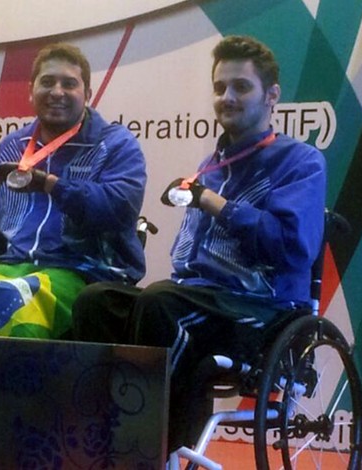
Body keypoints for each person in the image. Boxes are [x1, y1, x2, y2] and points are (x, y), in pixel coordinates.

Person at [72, 35, 326, 452]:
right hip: (201, 299)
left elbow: (291, 248)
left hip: (262, 312)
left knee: (161, 304)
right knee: (95, 301)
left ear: (272, 96)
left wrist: (215, 203)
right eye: (220, 87)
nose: (227, 97)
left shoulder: (299, 161)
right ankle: (94, 431)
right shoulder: (214, 163)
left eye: (241, 87)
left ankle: (148, 448)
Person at [0, 42, 146, 339]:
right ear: (31, 91)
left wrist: (51, 185)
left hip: (84, 270)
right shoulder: (11, 147)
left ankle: (7, 386)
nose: (57, 92)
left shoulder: (116, 145)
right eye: (47, 82)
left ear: (87, 95)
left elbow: (119, 210)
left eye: (69, 84)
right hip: (14, 265)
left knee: (20, 305)